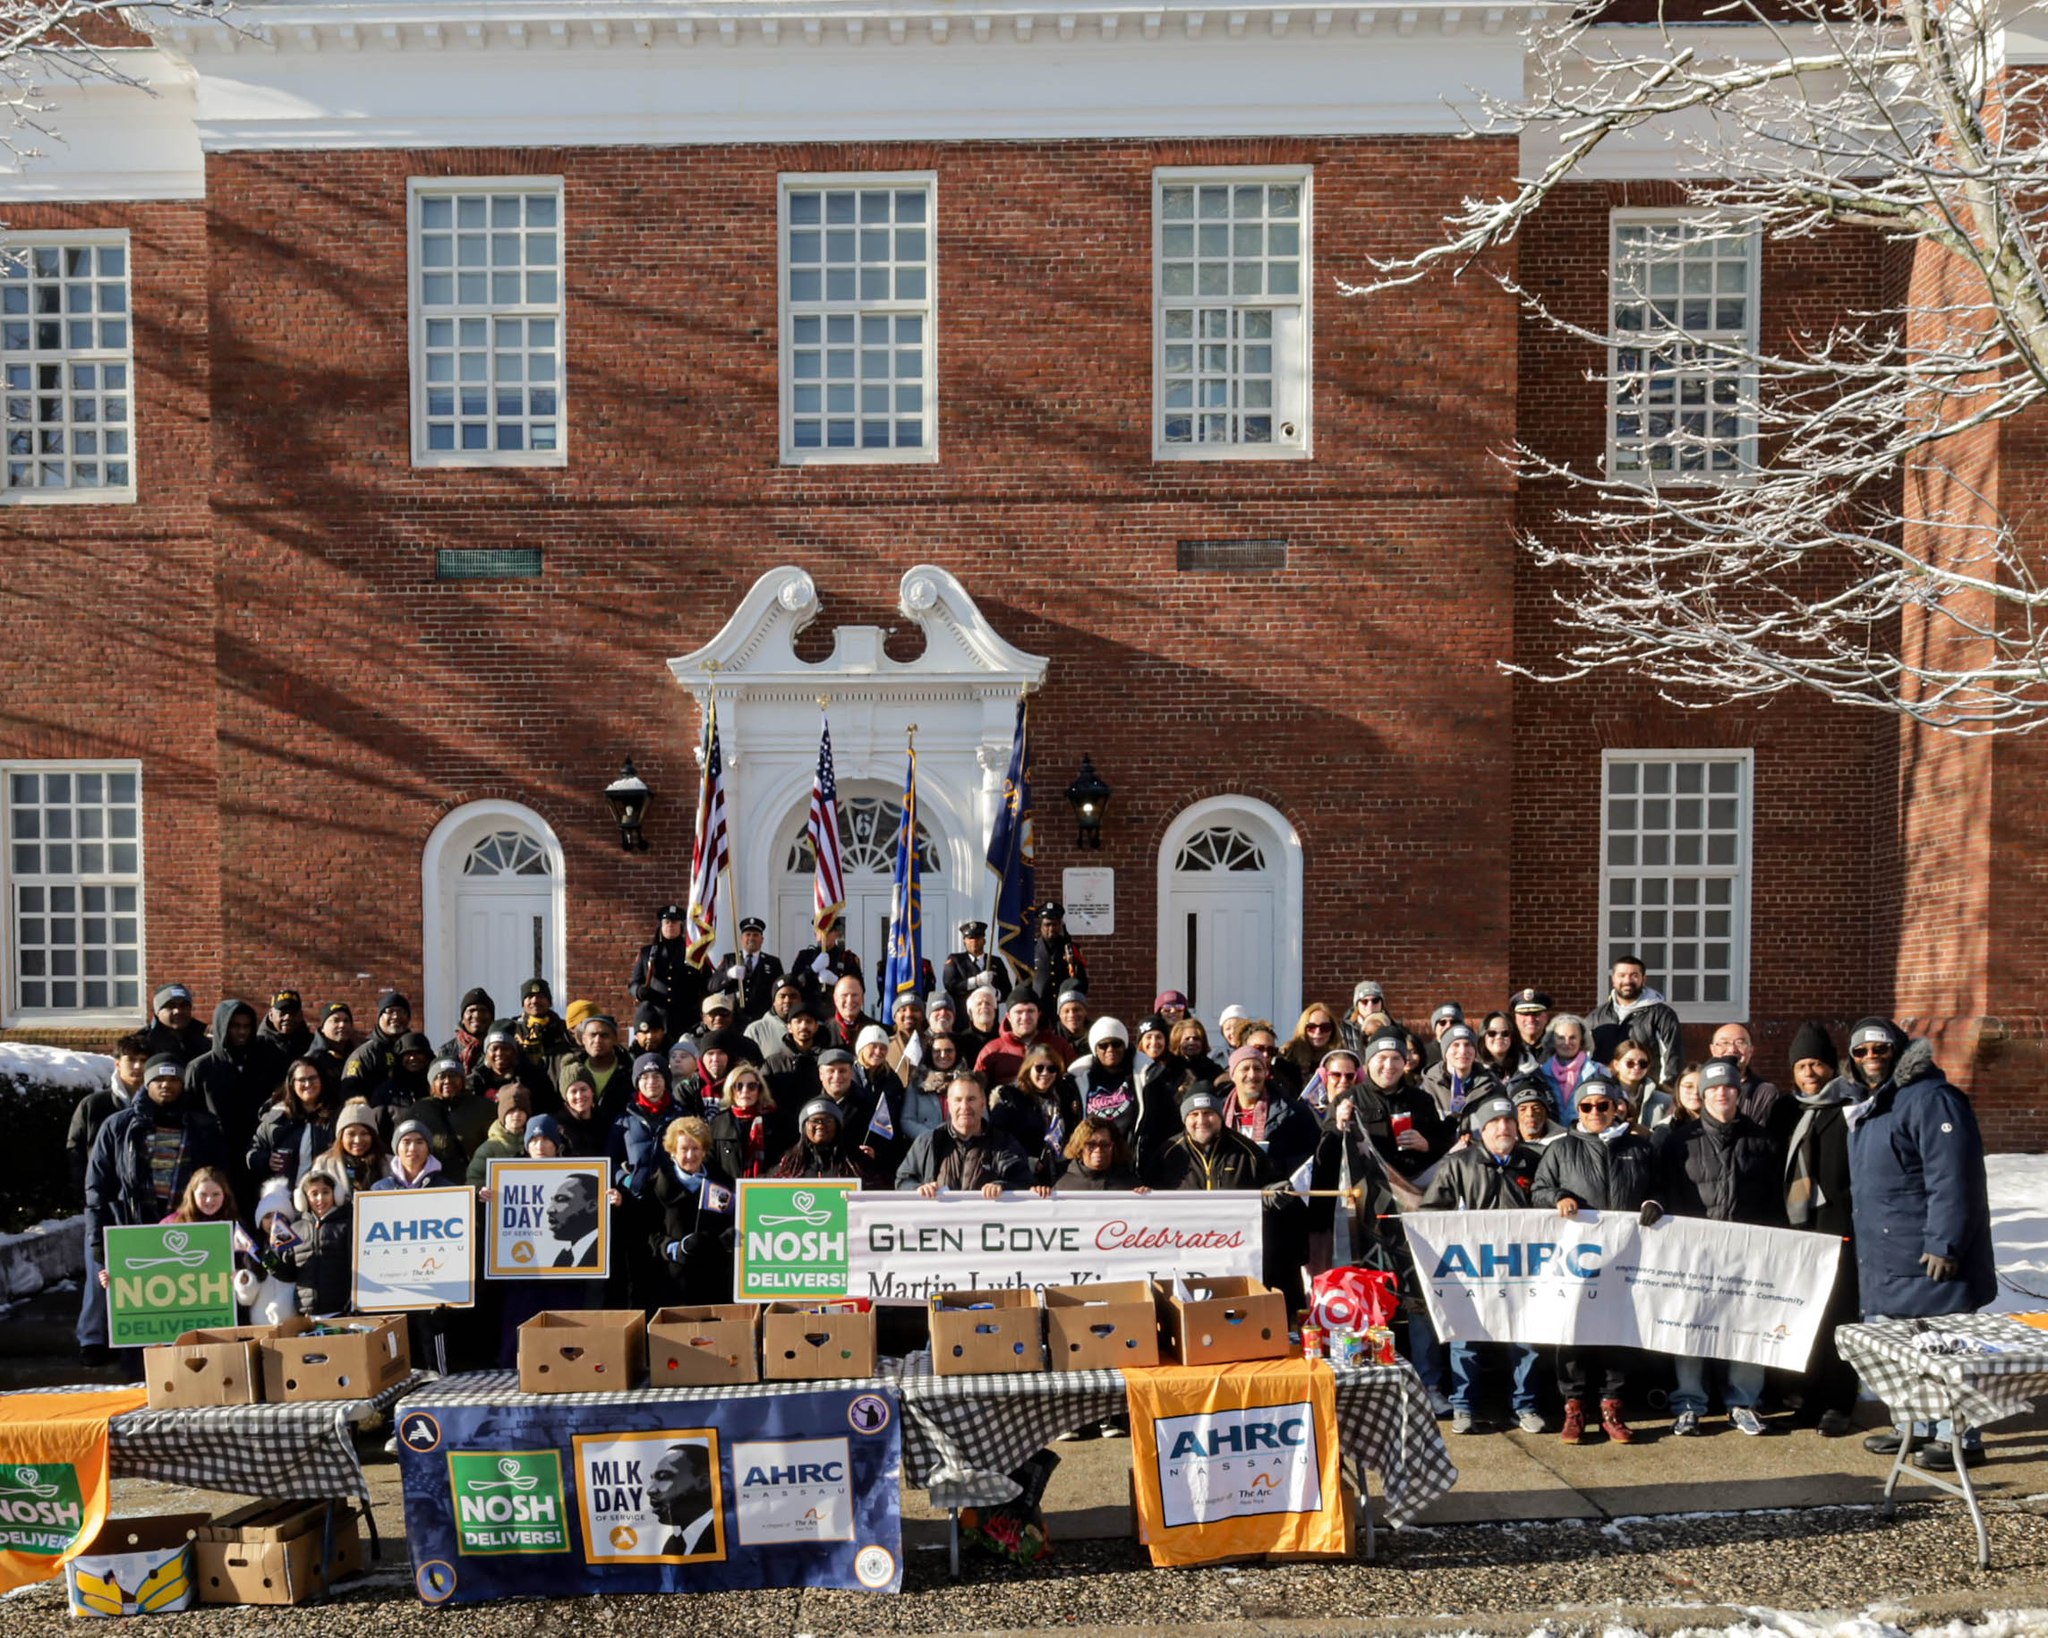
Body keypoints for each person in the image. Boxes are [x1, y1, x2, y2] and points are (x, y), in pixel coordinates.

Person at [1847, 1016, 1997, 1467]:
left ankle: (1960, 1438)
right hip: (1890, 1255)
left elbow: (1954, 1178)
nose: (1871, 1057)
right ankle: (1915, 1426)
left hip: (1930, 1256)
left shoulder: (1933, 1099)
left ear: (1899, 1050)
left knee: (1948, 1351)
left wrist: (1945, 1242)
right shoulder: (1877, 1104)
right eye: (1860, 1051)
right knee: (1909, 1352)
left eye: (1880, 1048)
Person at [1652, 1057, 1785, 1436]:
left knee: (1747, 1326)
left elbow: (1775, 1199)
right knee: (1690, 1325)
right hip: (1694, 1252)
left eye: (1728, 1087)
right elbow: (1663, 1190)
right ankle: (1689, 1403)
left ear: (1738, 1093)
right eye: (1713, 1088)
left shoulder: (1762, 1140)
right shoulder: (1680, 1142)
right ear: (1703, 1094)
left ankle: (1743, 1401)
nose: (1721, 1093)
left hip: (1748, 1253)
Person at [1532, 1072, 1659, 1445]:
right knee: (1573, 1331)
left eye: (1602, 1105)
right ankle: (1574, 1409)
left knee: (1617, 1332)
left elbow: (1660, 1187)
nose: (1595, 1112)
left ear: (1616, 1107)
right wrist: (1558, 1197)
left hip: (1625, 1256)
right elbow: (1539, 1189)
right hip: (1577, 1259)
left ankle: (1611, 1407)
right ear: (1578, 1109)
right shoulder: (1561, 1148)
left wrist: (1655, 1202)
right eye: (1586, 1106)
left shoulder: (1639, 1148)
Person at [84, 1054, 231, 1344]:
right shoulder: (118, 1126)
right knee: (132, 1300)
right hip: (133, 1222)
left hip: (187, 1223)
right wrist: (96, 1236)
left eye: (173, 1079)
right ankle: (99, 1344)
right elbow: (97, 1185)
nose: (166, 1085)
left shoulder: (203, 1125)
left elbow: (219, 1178)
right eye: (159, 1079)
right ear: (147, 1083)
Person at [1422, 1095, 1547, 1434]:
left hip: (1522, 1271)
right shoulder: (1458, 1164)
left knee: (1526, 1342)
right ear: (1482, 1130)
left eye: (1508, 1122)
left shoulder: (1534, 1162)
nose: (1503, 1128)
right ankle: (1463, 1406)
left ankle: (1526, 1405)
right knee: (1466, 1340)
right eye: (1494, 1123)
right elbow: (1432, 1214)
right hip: (1472, 1272)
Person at [1779, 1021, 1859, 1436]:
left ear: (1831, 1066)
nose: (1809, 1073)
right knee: (1804, 1317)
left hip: (1839, 1230)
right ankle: (1807, 1398)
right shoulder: (1786, 1111)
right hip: (1797, 1232)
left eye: (1816, 1064)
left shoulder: (1851, 1109)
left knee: (1839, 1319)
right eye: (1801, 1066)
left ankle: (1839, 1402)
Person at [184, 998, 281, 1187]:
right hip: (217, 1156)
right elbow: (191, 1114)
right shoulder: (200, 1068)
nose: (242, 1032)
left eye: (246, 1026)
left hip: (258, 1155)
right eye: (235, 1026)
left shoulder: (267, 1062)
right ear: (223, 1027)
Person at [897, 1073, 1035, 1196]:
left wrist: (1002, 1187)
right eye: (958, 1100)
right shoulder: (928, 1141)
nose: (964, 1107)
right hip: (938, 1217)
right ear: (949, 1104)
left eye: (971, 1099)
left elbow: (1024, 1182)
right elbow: (903, 1181)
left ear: (983, 1104)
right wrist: (918, 1189)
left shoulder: (1004, 1143)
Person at [650, 1117, 735, 1305]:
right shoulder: (656, 1186)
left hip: (714, 1281)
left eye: (696, 1148)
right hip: (674, 1284)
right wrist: (674, 1249)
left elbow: (733, 1222)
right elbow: (649, 1233)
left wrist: (720, 1242)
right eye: (684, 1149)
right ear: (673, 1152)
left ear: (704, 1151)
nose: (690, 1155)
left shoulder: (721, 1182)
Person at [68, 1034, 148, 1197]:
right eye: (131, 1060)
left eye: (143, 1060)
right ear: (118, 1063)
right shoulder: (93, 1105)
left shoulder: (159, 1105)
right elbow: (75, 1150)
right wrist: (87, 1191)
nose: (138, 1066)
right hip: (103, 1193)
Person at [247, 1057, 344, 1189]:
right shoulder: (276, 1118)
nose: (308, 1084)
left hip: (325, 1194)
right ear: (292, 1084)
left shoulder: (337, 1116)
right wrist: (267, 1160)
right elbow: (253, 1151)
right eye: (302, 1080)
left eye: (313, 1078)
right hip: (285, 1194)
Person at [1589, 956, 1683, 1086]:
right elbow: (1586, 1058)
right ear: (1613, 979)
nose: (1627, 981)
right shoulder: (1597, 1016)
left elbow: (1673, 1059)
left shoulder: (1662, 1015)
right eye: (1622, 975)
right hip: (1607, 1091)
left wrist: (1665, 1090)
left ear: (1643, 979)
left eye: (1634, 976)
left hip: (1647, 1092)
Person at [403, 1057, 494, 1173]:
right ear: (432, 1083)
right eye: (440, 1076)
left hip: (474, 1178)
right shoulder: (419, 1109)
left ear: (463, 1080)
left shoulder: (484, 1107)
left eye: (453, 1075)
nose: (447, 1081)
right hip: (432, 1179)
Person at [630, 903, 703, 1040]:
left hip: (685, 1019)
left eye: (674, 922)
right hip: (654, 1019)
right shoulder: (647, 953)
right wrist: (639, 991)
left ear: (681, 926)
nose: (670, 926)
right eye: (667, 922)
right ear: (661, 926)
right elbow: (634, 983)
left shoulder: (692, 953)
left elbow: (704, 984)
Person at [708, 1064, 791, 1182]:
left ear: (759, 1090)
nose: (745, 1091)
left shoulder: (779, 1121)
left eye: (752, 1086)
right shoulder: (718, 1123)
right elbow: (711, 1164)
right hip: (730, 1189)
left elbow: (787, 1159)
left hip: (769, 1187)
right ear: (731, 1090)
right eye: (738, 1086)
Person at [288, 1168, 352, 1319]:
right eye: (314, 1193)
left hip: (341, 1310)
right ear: (304, 1198)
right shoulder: (296, 1229)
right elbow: (287, 1273)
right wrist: (272, 1259)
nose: (320, 1198)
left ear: (336, 1193)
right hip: (307, 1313)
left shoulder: (347, 1225)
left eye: (325, 1192)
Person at [1069, 1018, 1138, 1148]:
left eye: (1116, 1044)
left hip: (1130, 1152)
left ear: (1125, 1046)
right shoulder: (1080, 1079)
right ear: (1095, 1050)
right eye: (1103, 1045)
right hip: (1094, 1152)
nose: (1110, 1049)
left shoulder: (1142, 1077)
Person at [772, 1097, 876, 1182]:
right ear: (804, 1127)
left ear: (837, 1125)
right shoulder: (789, 1164)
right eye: (815, 1121)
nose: (820, 1126)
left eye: (827, 1120)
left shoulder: (856, 1163)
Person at [1709, 1022, 1786, 1135]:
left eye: (1740, 1043)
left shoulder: (1765, 1092)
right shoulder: (1699, 1087)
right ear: (1712, 1049)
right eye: (1724, 1043)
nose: (1732, 1049)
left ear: (1751, 1050)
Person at [646, 1441, 718, 1557]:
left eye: (663, 1477)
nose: (650, 1490)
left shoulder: (728, 1537)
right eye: (652, 1479)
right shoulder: (673, 1544)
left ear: (703, 1482)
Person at [1422, 1023, 1500, 1122]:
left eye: (1468, 1044)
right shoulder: (1427, 1088)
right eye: (1455, 1045)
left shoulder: (1492, 1086)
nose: (1463, 1051)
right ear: (1445, 1052)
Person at [312, 1102, 387, 1203]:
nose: (357, 1140)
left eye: (364, 1133)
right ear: (341, 1137)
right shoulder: (324, 1164)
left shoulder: (389, 1164)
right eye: (351, 1134)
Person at [974, 985, 1048, 1087]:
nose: (1025, 1017)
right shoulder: (991, 1051)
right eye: (1019, 1012)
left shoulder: (1057, 1045)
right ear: (1008, 1016)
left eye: (1030, 1011)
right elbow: (975, 1089)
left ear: (1038, 1014)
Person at [714, 916, 783, 1024]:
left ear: (762, 939)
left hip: (761, 1019)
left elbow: (780, 990)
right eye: (748, 934)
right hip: (734, 1019)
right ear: (741, 938)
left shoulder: (773, 962)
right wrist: (728, 975)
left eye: (755, 935)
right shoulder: (730, 959)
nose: (751, 938)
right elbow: (712, 986)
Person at [341, 991, 415, 1091]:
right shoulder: (366, 1053)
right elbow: (350, 1089)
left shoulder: (417, 1050)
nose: (396, 1016)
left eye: (401, 1012)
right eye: (390, 1011)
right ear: (380, 1016)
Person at [790, 916, 863, 1014]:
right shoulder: (805, 956)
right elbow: (793, 986)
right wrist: (812, 970)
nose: (823, 935)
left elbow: (860, 989)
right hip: (809, 1013)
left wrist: (838, 982)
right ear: (815, 934)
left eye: (828, 931)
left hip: (837, 1013)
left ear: (837, 934)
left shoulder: (847, 959)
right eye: (820, 931)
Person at [1054, 1117, 1148, 1191]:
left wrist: (1147, 1197)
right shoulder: (1062, 1187)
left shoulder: (1131, 1186)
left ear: (1114, 1147)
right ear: (1080, 1147)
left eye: (1105, 1145)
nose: (1098, 1149)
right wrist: (1046, 1196)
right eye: (1091, 1145)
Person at [466, 1086, 533, 1186]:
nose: (516, 1114)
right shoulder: (489, 1147)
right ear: (502, 1113)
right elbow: (473, 1179)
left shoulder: (535, 1144)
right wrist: (484, 1190)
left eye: (521, 1110)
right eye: (511, 1110)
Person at [943, 921, 1012, 1012]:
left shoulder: (995, 961)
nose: (974, 941)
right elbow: (950, 985)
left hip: (989, 1015)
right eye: (970, 938)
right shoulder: (955, 960)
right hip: (963, 1016)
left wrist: (995, 993)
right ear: (964, 941)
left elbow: (1007, 991)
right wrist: (976, 981)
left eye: (978, 937)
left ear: (984, 940)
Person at [1538, 1013, 1594, 1119]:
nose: (1567, 1042)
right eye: (1561, 1038)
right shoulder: (1541, 1074)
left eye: (1572, 1038)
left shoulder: (1597, 1072)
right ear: (1552, 1040)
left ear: (1581, 1040)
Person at [140, 983, 210, 1065]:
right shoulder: (143, 1043)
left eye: (184, 1005)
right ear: (157, 1012)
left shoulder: (206, 1039)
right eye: (170, 1006)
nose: (178, 1011)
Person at [1031, 901, 1088, 997]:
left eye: (1055, 924)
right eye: (1047, 925)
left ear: (1060, 925)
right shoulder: (1032, 949)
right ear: (1041, 926)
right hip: (1039, 1003)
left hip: (1064, 1002)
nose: (1051, 928)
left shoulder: (1071, 948)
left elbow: (1082, 982)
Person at [438, 987, 497, 1074]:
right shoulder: (445, 1052)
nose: (477, 1015)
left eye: (483, 1010)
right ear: (462, 1018)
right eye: (471, 1010)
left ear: (492, 1018)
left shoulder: (499, 1049)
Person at [377, 1120, 446, 1191]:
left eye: (419, 1142)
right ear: (397, 1149)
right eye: (406, 1142)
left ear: (428, 1148)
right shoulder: (380, 1189)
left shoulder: (445, 1188)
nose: (412, 1148)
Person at [306, 1001, 357, 1092]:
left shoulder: (357, 1054)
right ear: (322, 1028)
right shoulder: (313, 1060)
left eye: (346, 1021)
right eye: (336, 1021)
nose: (342, 1025)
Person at [257, 990, 313, 1065]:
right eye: (282, 1013)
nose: (288, 1017)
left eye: (293, 1013)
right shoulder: (257, 1047)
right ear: (271, 1015)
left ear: (301, 1015)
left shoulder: (312, 1046)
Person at [1476, 1012, 1520, 1083]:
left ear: (1513, 1037)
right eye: (1492, 1033)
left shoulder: (1527, 1067)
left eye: (1505, 1033)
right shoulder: (1473, 1071)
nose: (1499, 1037)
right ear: (1483, 1036)